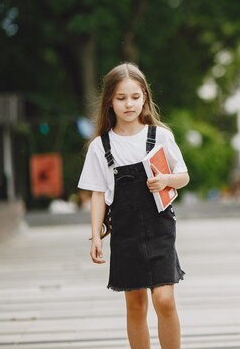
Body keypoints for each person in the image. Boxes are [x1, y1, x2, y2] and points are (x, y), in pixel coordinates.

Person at [78, 62, 189, 349]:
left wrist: (166, 179)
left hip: (160, 228)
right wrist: (96, 236)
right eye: (121, 98)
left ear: (145, 98)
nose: (129, 104)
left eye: (135, 97)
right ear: (109, 102)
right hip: (125, 233)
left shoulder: (159, 136)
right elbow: (98, 194)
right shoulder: (100, 147)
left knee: (164, 300)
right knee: (136, 305)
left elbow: (184, 177)